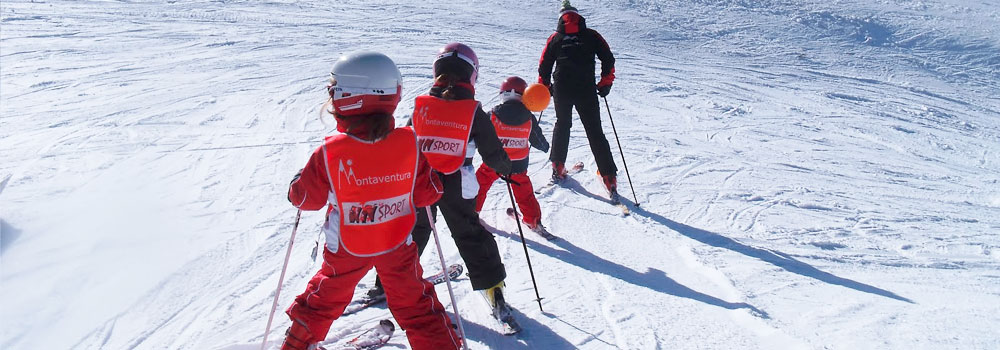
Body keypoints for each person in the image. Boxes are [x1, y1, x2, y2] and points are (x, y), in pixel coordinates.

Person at [282, 51, 460, 350]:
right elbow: (429, 193)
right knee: (416, 304)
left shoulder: (331, 152)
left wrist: (296, 184)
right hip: (396, 243)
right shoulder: (410, 142)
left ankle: (298, 344)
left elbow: (306, 199)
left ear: (350, 95)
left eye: (334, 89)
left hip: (348, 247)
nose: (331, 95)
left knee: (324, 297)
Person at [375, 42, 516, 320]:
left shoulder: (421, 106)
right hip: (457, 183)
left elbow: (405, 139)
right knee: (469, 232)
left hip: (420, 180)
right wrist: (506, 167)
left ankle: (388, 282)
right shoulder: (473, 111)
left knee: (412, 230)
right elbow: (493, 155)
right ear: (471, 75)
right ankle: (493, 289)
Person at [537, 0, 620, 201]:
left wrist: (545, 87)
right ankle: (608, 177)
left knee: (562, 125)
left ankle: (558, 166)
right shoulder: (591, 35)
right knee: (595, 131)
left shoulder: (555, 38)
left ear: (561, 18)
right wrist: (605, 83)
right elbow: (608, 58)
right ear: (578, 16)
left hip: (562, 90)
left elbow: (543, 66)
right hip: (586, 90)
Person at [474, 76, 550, 233]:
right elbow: (538, 140)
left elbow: (480, 134)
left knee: (479, 185)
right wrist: (544, 146)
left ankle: (472, 212)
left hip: (494, 162)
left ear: (503, 94)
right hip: (518, 165)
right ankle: (533, 220)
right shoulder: (529, 117)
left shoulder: (492, 115)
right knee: (525, 193)